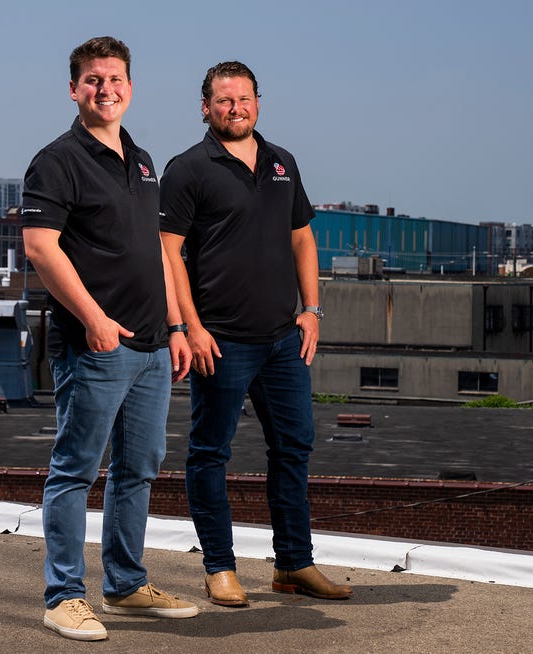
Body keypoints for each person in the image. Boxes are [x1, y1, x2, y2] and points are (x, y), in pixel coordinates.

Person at [21, 36, 197, 641]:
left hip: (151, 346)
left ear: (131, 87)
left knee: (138, 469)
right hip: (96, 344)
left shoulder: (142, 159)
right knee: (75, 469)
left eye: (116, 79)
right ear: (74, 90)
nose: (106, 89)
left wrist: (175, 327)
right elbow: (40, 248)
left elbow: (153, 251)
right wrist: (94, 318)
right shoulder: (57, 160)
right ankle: (63, 595)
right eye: (93, 80)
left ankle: (124, 584)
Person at [159, 61, 354, 607]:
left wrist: (312, 309)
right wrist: (189, 327)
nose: (235, 108)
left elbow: (302, 240)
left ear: (258, 103)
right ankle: (219, 569)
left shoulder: (281, 162)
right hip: (219, 340)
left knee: (294, 449)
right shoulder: (188, 169)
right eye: (224, 101)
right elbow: (167, 253)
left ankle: (293, 565)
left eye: (244, 99)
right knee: (210, 454)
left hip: (281, 342)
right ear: (206, 107)